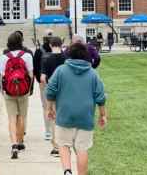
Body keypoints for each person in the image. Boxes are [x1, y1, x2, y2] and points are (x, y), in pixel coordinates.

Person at [46, 42, 107, 175]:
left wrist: (49, 108)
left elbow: (50, 90)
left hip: (64, 114)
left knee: (63, 144)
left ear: (68, 54)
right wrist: (103, 114)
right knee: (82, 148)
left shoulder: (61, 70)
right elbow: (100, 96)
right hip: (85, 116)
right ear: (85, 54)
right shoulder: (92, 73)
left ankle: (67, 170)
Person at [0, 32, 34, 159]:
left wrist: (2, 90)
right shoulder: (27, 56)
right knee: (22, 117)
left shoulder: (5, 57)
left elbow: (1, 76)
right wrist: (29, 88)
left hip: (9, 90)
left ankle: (13, 144)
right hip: (23, 90)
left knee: (11, 118)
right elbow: (31, 75)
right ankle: (20, 143)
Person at [40, 36, 68, 157]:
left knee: (53, 119)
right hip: (65, 93)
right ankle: (65, 145)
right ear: (61, 45)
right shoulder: (67, 59)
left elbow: (42, 78)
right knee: (65, 120)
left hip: (53, 93)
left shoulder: (47, 59)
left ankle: (57, 147)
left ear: (50, 45)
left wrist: (47, 87)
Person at [33, 29, 53, 140]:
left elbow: (35, 67)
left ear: (43, 38)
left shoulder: (39, 51)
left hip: (44, 80)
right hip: (56, 80)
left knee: (46, 106)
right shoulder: (57, 50)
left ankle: (48, 130)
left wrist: (39, 79)